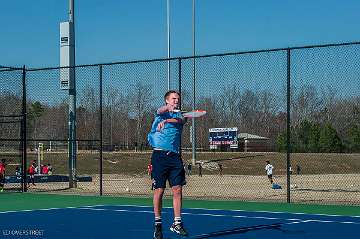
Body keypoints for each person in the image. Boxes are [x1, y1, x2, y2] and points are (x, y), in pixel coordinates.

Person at [147, 90, 188, 239]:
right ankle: (158, 224)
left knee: (177, 189)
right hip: (159, 157)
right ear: (167, 100)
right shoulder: (160, 113)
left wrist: (167, 121)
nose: (176, 101)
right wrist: (166, 113)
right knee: (159, 190)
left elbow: (181, 121)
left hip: (175, 157)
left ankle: (177, 223)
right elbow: (159, 110)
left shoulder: (181, 115)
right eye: (173, 99)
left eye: (178, 99)